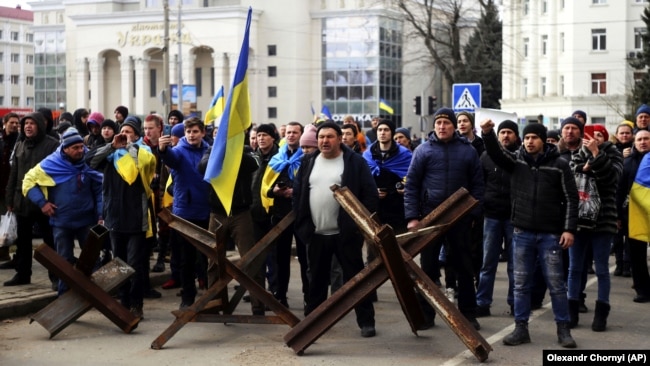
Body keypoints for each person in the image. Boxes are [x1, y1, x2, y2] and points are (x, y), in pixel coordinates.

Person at [480, 119, 578, 348]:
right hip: (522, 232)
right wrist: (487, 133)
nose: (529, 141)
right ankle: (520, 328)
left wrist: (568, 229)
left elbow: (571, 199)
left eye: (534, 137)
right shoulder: (517, 161)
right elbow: (495, 153)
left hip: (550, 235)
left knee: (556, 285)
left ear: (543, 140)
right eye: (526, 138)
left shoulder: (559, 165)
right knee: (521, 284)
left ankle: (563, 329)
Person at [293, 121, 377, 338]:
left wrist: (358, 226)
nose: (324, 141)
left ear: (340, 139)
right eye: (321, 137)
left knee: (356, 280)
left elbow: (370, 194)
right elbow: (298, 194)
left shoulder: (354, 162)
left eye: (330, 137)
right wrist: (303, 225)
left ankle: (366, 321)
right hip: (317, 234)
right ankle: (313, 325)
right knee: (316, 283)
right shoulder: (308, 161)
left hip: (345, 234)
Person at [404, 108, 484, 330]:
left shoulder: (468, 152)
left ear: (453, 126)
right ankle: (426, 314)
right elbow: (411, 185)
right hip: (429, 219)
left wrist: (474, 214)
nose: (442, 127)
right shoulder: (423, 150)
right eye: (438, 123)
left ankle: (468, 313)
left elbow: (478, 185)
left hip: (459, 218)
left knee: (464, 267)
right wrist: (412, 217)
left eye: (446, 123)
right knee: (428, 268)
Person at [87, 117, 156, 318]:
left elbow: (142, 167)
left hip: (136, 218)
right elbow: (89, 160)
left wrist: (129, 149)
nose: (125, 134)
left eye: (129, 131)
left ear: (136, 135)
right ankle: (123, 303)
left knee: (135, 264)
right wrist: (111, 147)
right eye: (122, 131)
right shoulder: (111, 155)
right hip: (115, 217)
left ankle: (136, 304)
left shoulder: (145, 153)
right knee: (119, 263)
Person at [22, 128, 103, 295]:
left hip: (87, 221)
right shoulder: (50, 164)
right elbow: (28, 182)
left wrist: (101, 214)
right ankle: (64, 296)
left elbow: (100, 190)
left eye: (82, 147)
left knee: (93, 260)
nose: (80, 151)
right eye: (75, 148)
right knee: (64, 262)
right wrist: (42, 203)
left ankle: (97, 295)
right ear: (65, 149)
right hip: (61, 222)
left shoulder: (89, 162)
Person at [561, 117, 622, 332]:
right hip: (580, 220)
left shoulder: (613, 154)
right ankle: (572, 311)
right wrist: (584, 166)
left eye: (598, 136)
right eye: (590, 136)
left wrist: (597, 155)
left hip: (603, 221)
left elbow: (612, 179)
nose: (592, 139)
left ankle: (601, 314)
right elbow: (570, 173)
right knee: (575, 268)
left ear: (604, 138)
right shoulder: (579, 154)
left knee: (602, 269)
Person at [158, 117, 211, 309]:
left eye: (195, 131)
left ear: (202, 133)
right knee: (186, 259)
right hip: (185, 213)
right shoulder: (179, 151)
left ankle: (211, 294)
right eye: (188, 132)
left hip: (206, 210)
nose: (191, 135)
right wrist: (162, 149)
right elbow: (169, 158)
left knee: (207, 257)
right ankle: (188, 298)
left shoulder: (209, 150)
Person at [4, 113, 60, 287]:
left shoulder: (52, 145)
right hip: (22, 200)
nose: (28, 126)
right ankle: (22, 274)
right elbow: (14, 173)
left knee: (50, 241)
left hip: (45, 202)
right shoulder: (20, 145)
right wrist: (10, 198)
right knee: (23, 241)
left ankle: (56, 276)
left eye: (32, 123)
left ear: (40, 126)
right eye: (25, 123)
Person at [475, 120, 520, 317]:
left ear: (516, 136)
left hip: (514, 218)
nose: (505, 136)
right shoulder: (485, 156)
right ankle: (482, 302)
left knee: (515, 265)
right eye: (502, 132)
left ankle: (515, 303)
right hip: (491, 216)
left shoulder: (520, 157)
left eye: (509, 132)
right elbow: (479, 184)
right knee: (488, 263)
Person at [261, 121, 305, 308]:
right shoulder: (277, 158)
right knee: (280, 259)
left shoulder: (308, 158)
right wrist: (275, 191)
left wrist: (295, 191)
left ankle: (309, 297)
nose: (291, 135)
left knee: (305, 258)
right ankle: (281, 296)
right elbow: (265, 186)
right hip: (280, 214)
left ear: (301, 135)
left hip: (302, 214)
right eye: (288, 132)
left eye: (295, 132)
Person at [617, 129, 650, 303]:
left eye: (646, 139)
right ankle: (642, 289)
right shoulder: (627, 162)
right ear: (634, 142)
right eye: (640, 139)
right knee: (637, 256)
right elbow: (620, 190)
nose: (643, 142)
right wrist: (618, 215)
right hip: (634, 216)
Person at [612, 122, 635, 277]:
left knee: (630, 237)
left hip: (632, 199)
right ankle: (619, 264)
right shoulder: (611, 150)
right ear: (617, 135)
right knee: (617, 236)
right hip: (615, 198)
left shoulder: (637, 149)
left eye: (627, 133)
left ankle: (627, 265)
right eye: (622, 133)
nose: (625, 135)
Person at [0, 113, 20, 264]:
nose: (14, 125)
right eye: (11, 122)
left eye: (16, 123)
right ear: (4, 123)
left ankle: (6, 252)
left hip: (12, 187)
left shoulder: (20, 141)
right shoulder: (1, 140)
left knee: (9, 220)